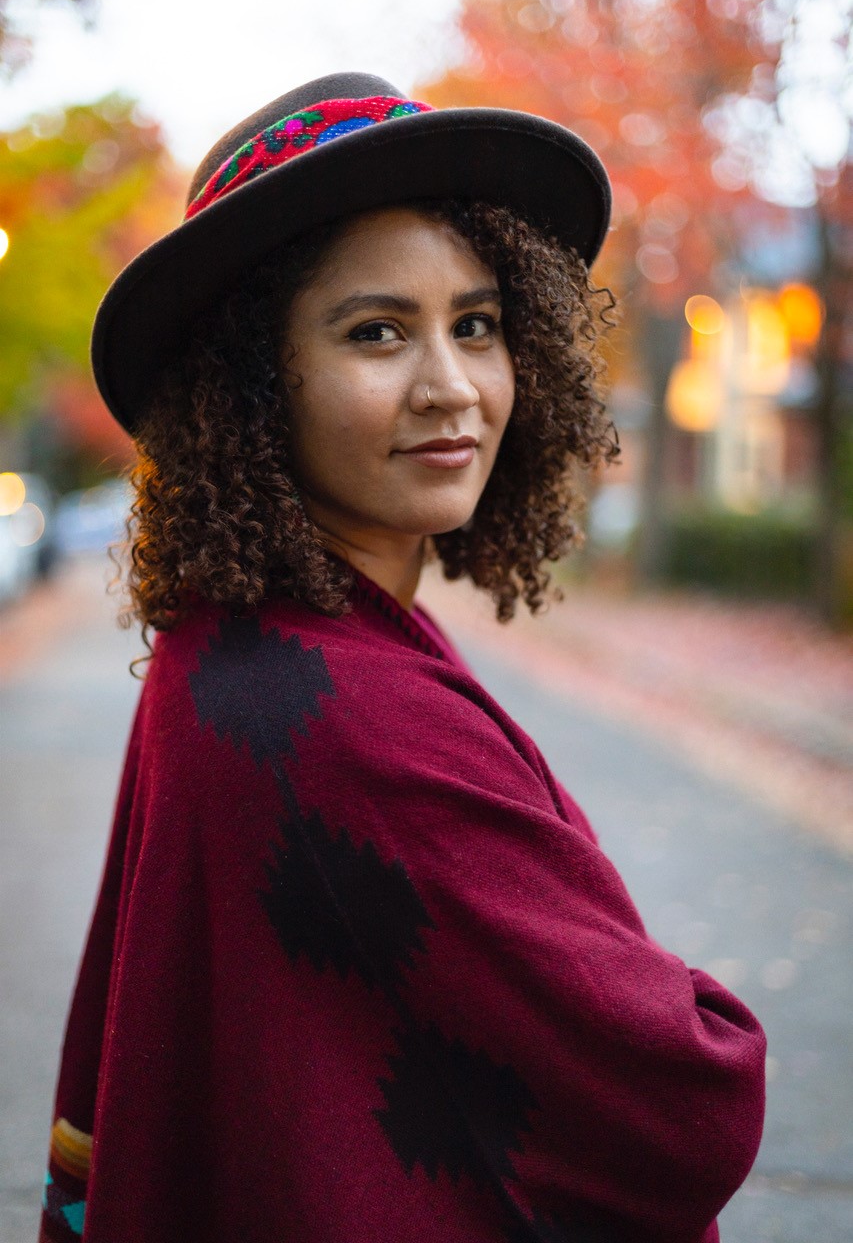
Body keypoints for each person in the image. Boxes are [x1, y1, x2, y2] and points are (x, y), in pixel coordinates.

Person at [40, 72, 765, 1243]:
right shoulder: (332, 705)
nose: (453, 388)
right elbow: (688, 1097)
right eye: (376, 331)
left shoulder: (244, 639)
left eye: (475, 325)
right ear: (252, 388)